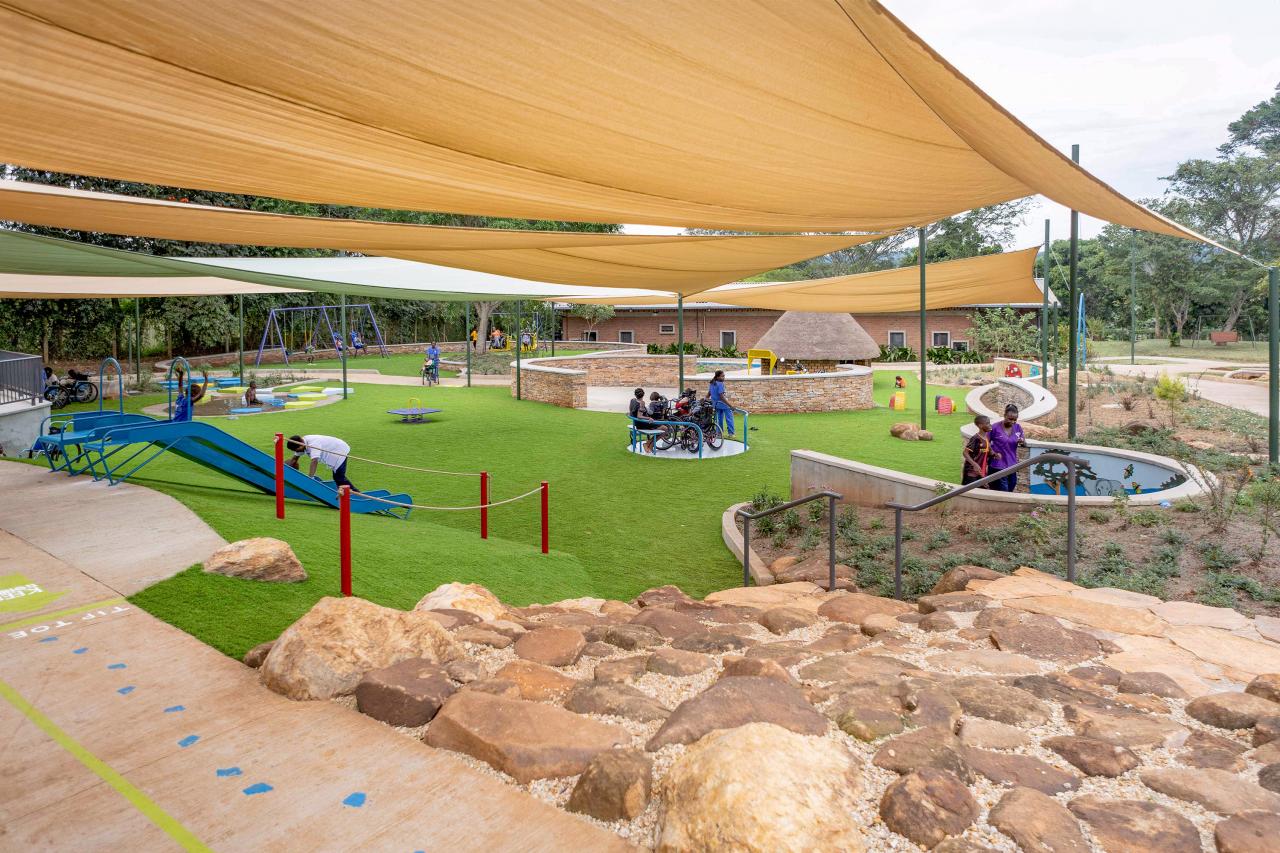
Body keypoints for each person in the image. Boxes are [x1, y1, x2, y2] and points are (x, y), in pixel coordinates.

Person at [286, 434, 358, 492]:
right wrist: (286, 472)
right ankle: (347, 493)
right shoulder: (301, 443)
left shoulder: (313, 444)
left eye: (296, 449)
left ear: (301, 443)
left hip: (339, 450)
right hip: (333, 449)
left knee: (339, 477)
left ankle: (355, 494)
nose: (296, 451)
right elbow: (294, 459)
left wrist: (310, 478)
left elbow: (314, 461)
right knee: (338, 477)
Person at [988, 404, 1027, 492]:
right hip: (998, 465)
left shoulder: (1018, 427)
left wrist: (1022, 442)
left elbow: (1024, 443)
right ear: (1004, 415)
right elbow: (986, 442)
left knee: (1012, 486)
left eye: (1015, 420)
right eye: (1010, 419)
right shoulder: (995, 427)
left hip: (1012, 465)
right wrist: (993, 453)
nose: (1013, 422)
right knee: (1003, 490)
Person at [962, 415, 992, 485]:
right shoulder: (975, 438)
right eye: (987, 423)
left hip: (981, 471)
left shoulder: (986, 437)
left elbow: (987, 451)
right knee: (969, 492)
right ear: (980, 425)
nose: (990, 425)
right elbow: (965, 453)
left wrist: (994, 454)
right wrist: (975, 464)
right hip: (971, 472)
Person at [628, 388, 657, 452]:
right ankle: (647, 444)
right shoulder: (642, 403)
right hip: (642, 424)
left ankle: (649, 445)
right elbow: (639, 416)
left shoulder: (632, 400)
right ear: (643, 395)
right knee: (664, 428)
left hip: (636, 423)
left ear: (635, 394)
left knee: (661, 426)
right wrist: (648, 418)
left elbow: (631, 412)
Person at [708, 370, 736, 438]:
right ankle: (731, 433)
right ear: (717, 377)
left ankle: (719, 433)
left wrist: (706, 399)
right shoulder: (720, 384)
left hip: (716, 404)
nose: (724, 378)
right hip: (722, 404)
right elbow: (721, 397)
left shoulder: (712, 383)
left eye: (724, 376)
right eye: (722, 376)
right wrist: (730, 406)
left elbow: (708, 394)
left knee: (719, 418)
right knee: (729, 418)